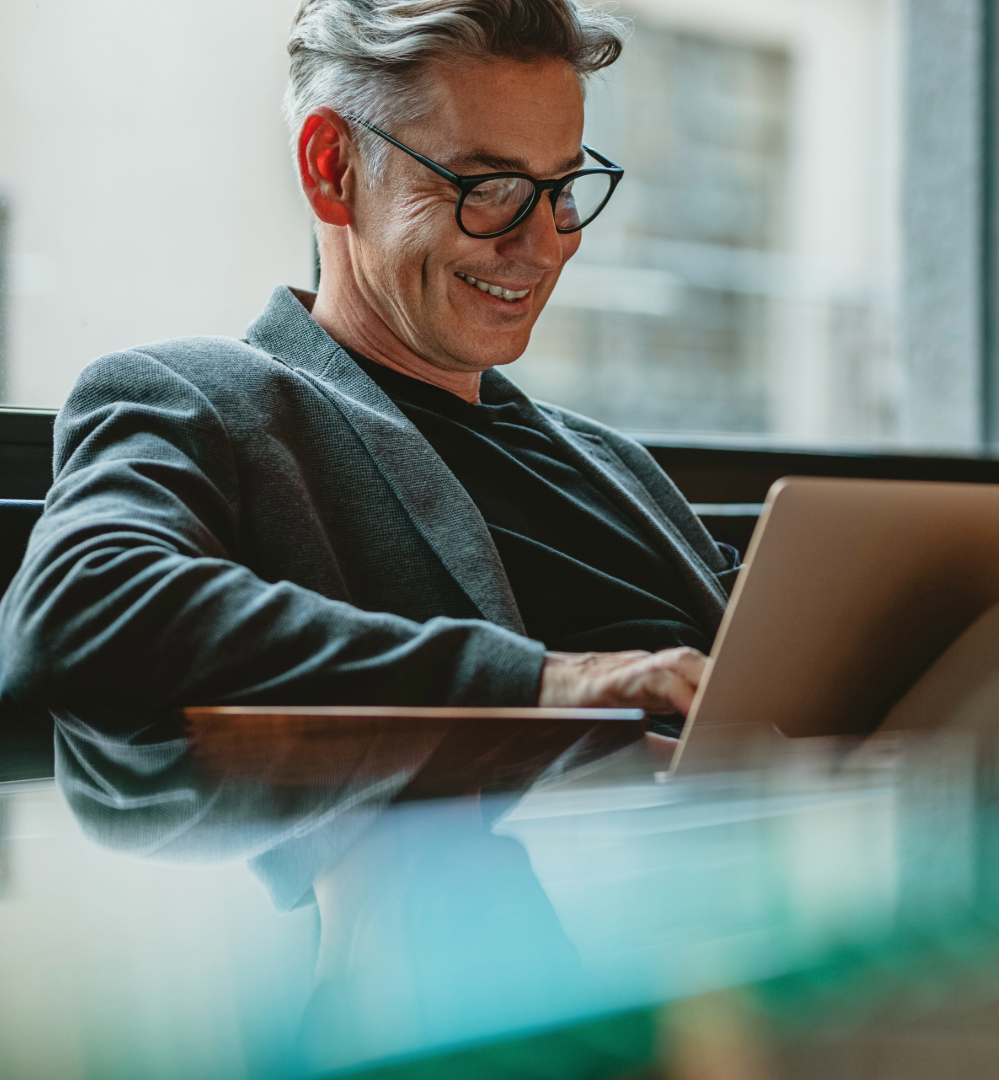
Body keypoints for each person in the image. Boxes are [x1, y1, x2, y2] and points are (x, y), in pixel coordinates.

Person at [0, 0, 736, 725]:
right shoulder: (198, 401)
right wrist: (545, 684)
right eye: (491, 189)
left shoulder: (611, 463)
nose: (544, 248)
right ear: (332, 168)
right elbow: (80, 612)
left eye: (561, 190)